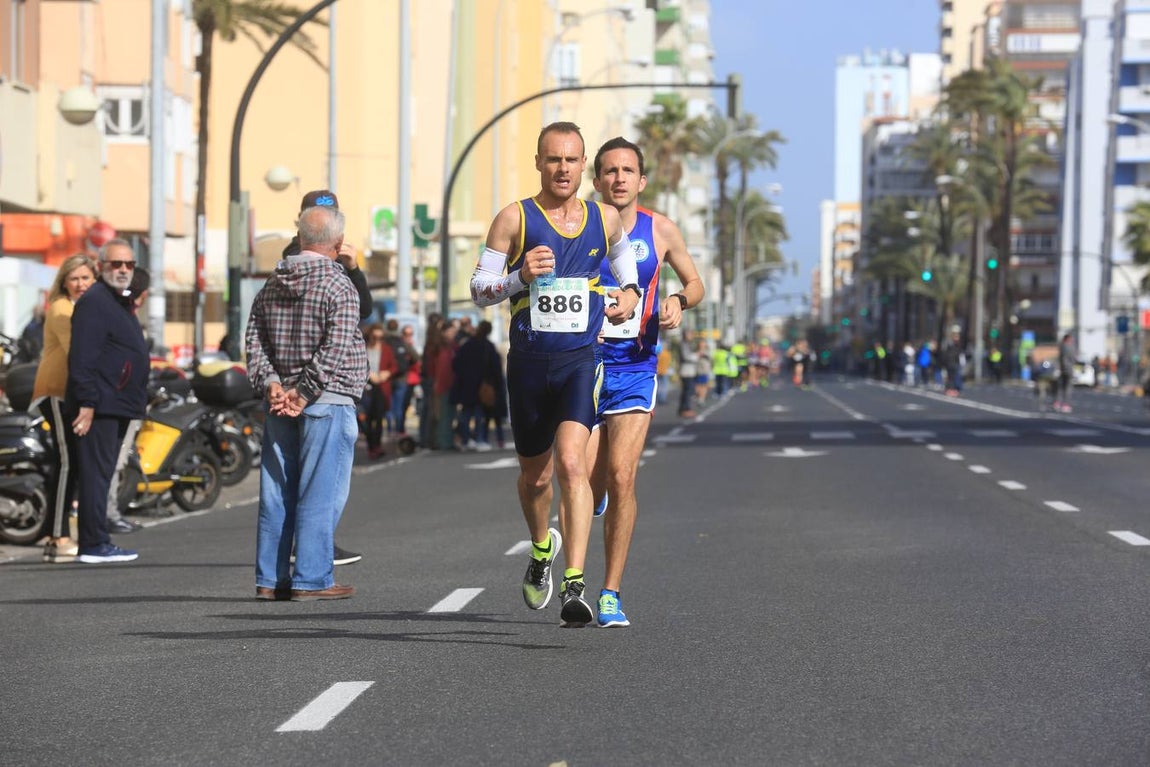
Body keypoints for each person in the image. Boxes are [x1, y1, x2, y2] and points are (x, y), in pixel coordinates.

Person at [469, 121, 640, 627]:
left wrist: (628, 293)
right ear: (539, 163)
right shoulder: (513, 218)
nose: (562, 169)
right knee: (534, 477)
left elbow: (624, 258)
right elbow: (478, 289)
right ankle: (541, 546)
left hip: (579, 361)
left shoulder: (603, 218)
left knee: (571, 464)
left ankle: (574, 583)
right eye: (553, 160)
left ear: (582, 165)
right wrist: (518, 276)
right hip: (526, 363)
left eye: (571, 160)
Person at [584, 135, 704, 626]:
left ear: (641, 180)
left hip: (635, 366)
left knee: (623, 476)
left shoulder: (661, 230)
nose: (618, 179)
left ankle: (610, 592)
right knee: (584, 482)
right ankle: (576, 541)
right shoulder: (578, 224)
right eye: (609, 171)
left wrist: (677, 300)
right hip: (582, 365)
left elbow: (695, 284)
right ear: (598, 180)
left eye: (626, 171)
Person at [245, 205, 367, 601]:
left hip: (281, 402)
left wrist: (273, 385)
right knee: (321, 491)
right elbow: (337, 345)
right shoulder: (338, 284)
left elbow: (254, 341)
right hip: (326, 400)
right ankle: (312, 579)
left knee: (277, 491)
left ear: (299, 239)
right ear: (337, 243)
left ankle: (270, 579)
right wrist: (305, 392)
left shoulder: (271, 283)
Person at [284, 189, 367, 566]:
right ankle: (312, 555)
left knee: (302, 477)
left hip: (295, 387)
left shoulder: (331, 265)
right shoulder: (299, 261)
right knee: (324, 477)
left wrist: (353, 268)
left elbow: (361, 308)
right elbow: (336, 338)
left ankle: (303, 549)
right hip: (320, 388)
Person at [66, 239, 150, 563]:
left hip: (114, 403)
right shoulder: (95, 302)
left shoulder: (117, 300)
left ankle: (97, 540)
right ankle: (93, 542)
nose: (124, 270)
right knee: (95, 475)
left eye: (129, 264)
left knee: (101, 475)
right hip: (99, 406)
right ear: (101, 267)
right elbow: (82, 358)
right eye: (116, 264)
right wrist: (88, 403)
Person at [31, 254, 99, 563]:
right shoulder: (61, 308)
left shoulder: (84, 308)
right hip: (57, 392)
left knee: (69, 461)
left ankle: (55, 534)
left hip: (72, 392)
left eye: (86, 278)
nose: (81, 283)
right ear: (64, 282)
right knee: (68, 461)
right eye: (75, 278)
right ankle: (57, 537)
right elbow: (79, 350)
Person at [451, 319, 501, 451]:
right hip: (482, 385)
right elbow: (495, 367)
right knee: (480, 415)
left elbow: (456, 363)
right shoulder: (488, 346)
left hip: (466, 385)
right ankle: (479, 439)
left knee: (466, 414)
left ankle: (466, 440)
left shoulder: (467, 345)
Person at [361, 322, 398, 459]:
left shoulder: (386, 349)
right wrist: (369, 374)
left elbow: (394, 366)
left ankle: (377, 446)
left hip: (381, 387)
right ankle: (371, 446)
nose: (377, 340)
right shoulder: (363, 348)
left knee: (379, 417)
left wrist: (386, 373)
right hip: (366, 388)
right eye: (374, 337)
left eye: (380, 337)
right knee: (367, 419)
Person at [385, 319, 417, 435]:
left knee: (388, 406)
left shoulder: (384, 341)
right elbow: (416, 357)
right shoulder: (401, 342)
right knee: (399, 407)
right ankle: (399, 431)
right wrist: (407, 364)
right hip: (401, 378)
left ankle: (389, 430)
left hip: (387, 378)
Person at [1055, 332, 1076, 413]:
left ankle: (1057, 402)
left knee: (1061, 386)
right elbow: (1073, 358)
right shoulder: (1069, 347)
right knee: (1067, 387)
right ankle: (1066, 404)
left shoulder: (1061, 346)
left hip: (1062, 368)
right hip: (1068, 368)